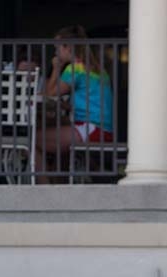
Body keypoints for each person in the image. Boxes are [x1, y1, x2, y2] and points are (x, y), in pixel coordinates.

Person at [41, 25, 114, 175]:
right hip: (103, 129)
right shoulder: (97, 68)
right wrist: (67, 105)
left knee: (33, 140)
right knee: (56, 129)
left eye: (57, 48)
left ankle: (45, 187)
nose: (55, 52)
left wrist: (56, 68)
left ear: (68, 48)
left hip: (91, 128)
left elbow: (50, 93)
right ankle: (63, 181)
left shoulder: (75, 68)